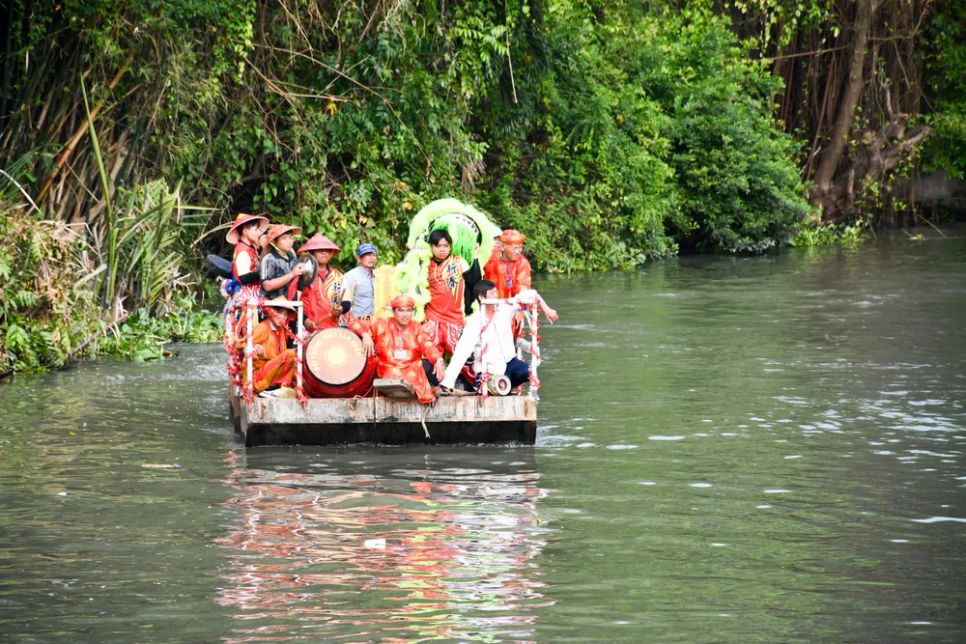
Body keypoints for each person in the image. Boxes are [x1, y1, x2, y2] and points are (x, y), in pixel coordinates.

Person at [439, 280, 554, 393]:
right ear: (482, 298)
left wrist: (547, 309)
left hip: (510, 362)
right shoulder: (475, 321)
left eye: (496, 292)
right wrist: (448, 381)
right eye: (492, 293)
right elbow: (462, 351)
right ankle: (499, 387)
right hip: (490, 368)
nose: (496, 296)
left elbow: (530, 295)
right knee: (495, 385)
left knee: (527, 372)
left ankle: (507, 386)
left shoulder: (505, 308)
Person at [351, 295, 444, 404]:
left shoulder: (416, 326)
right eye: (401, 311)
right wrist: (365, 335)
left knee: (429, 365)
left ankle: (423, 388)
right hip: (387, 367)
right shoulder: (381, 323)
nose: (405, 315)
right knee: (384, 371)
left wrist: (438, 359)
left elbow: (427, 343)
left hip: (412, 368)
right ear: (394, 312)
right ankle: (420, 389)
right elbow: (354, 322)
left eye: (408, 310)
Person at [422, 229, 481, 355]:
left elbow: (474, 280)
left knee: (464, 360)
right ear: (431, 246)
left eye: (445, 246)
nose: (442, 249)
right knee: (429, 358)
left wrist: (475, 257)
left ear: (450, 247)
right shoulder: (425, 263)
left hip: (455, 320)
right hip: (431, 319)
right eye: (438, 246)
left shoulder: (459, 261)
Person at [236, 297, 298, 397]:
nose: (283, 317)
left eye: (285, 315)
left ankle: (280, 388)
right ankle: (271, 389)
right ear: (271, 312)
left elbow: (281, 358)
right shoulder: (263, 328)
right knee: (290, 354)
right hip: (257, 379)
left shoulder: (281, 330)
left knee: (295, 358)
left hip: (271, 374)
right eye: (280, 313)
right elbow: (239, 345)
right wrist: (252, 347)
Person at [297, 233, 344, 332]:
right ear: (312, 253)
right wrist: (305, 321)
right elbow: (294, 299)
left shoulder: (338, 276)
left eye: (327, 250)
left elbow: (346, 301)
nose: (324, 253)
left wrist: (341, 309)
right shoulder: (302, 273)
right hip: (308, 327)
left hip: (333, 328)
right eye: (320, 250)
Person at [260, 223, 306, 299]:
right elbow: (267, 286)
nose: (289, 241)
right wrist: (292, 274)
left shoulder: (294, 260)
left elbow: (300, 285)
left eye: (291, 238)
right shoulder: (269, 259)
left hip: (291, 304)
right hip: (272, 305)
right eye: (284, 238)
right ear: (274, 241)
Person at [226, 212, 269, 291]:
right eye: (256, 229)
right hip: (247, 296)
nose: (259, 233)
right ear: (245, 231)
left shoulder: (249, 248)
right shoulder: (243, 251)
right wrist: (266, 272)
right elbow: (244, 278)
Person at [341, 242, 378, 319]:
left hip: (375, 321)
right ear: (359, 258)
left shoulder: (378, 276)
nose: (372, 258)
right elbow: (345, 300)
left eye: (374, 255)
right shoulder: (351, 276)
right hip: (357, 322)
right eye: (368, 255)